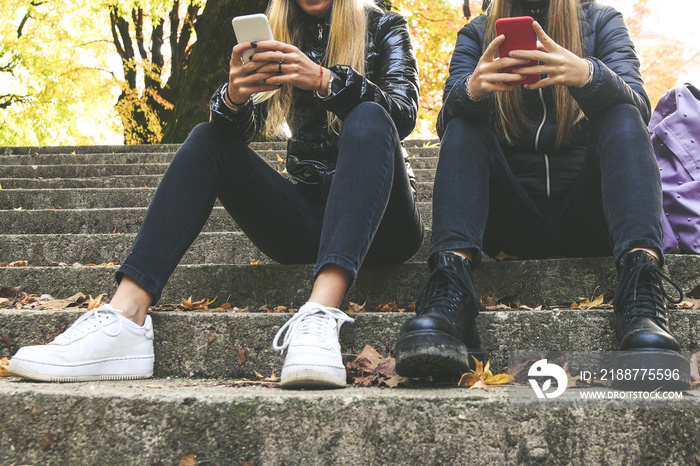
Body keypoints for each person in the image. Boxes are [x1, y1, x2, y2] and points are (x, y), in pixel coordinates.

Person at [8, 0, 423, 389]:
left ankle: (319, 316)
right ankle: (125, 316)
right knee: (207, 138)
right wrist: (234, 98)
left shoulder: (384, 25)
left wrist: (324, 80)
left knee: (370, 114)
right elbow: (236, 135)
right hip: (308, 220)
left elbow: (401, 113)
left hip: (384, 221)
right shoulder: (276, 29)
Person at [394, 0, 688, 381]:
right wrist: (473, 91)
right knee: (463, 122)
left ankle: (641, 296)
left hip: (592, 219)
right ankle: (450, 295)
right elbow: (447, 117)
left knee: (623, 111)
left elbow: (639, 104)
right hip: (511, 225)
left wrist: (587, 74)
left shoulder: (601, 21)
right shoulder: (477, 32)